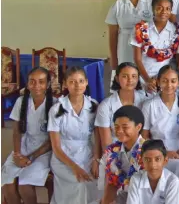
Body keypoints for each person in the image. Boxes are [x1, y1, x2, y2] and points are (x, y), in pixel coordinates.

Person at [1, 68, 54, 204]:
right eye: (32, 82)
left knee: (24, 187)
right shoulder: (21, 101)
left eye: (41, 82)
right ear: (28, 84)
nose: (36, 86)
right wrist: (18, 155)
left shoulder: (55, 104)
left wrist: (30, 157)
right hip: (23, 148)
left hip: (44, 152)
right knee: (7, 185)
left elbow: (52, 141)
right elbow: (16, 132)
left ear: (48, 84)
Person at [47, 67, 100, 203]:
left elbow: (98, 137)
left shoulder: (94, 106)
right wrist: (75, 167)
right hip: (63, 159)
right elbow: (56, 148)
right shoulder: (57, 109)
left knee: (95, 183)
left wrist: (96, 160)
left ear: (87, 82)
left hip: (87, 155)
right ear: (65, 84)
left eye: (81, 81)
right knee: (79, 183)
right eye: (72, 81)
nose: (77, 85)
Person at [141, 65, 179, 175]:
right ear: (158, 82)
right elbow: (144, 137)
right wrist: (163, 153)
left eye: (173, 81)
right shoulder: (149, 105)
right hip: (155, 152)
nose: (169, 85)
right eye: (164, 81)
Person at [132, 0, 179, 92]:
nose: (164, 12)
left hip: (166, 80)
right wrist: (147, 80)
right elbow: (137, 59)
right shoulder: (141, 29)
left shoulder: (176, 31)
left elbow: (175, 59)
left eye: (168, 9)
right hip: (143, 77)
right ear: (153, 9)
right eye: (159, 8)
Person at [106, 0, 154, 70]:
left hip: (148, 45)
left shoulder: (152, 1)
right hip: (125, 46)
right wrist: (113, 58)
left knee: (146, 76)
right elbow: (112, 35)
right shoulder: (118, 5)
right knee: (127, 75)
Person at [95, 63, 148, 153]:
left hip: (141, 154)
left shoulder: (146, 101)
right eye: (125, 76)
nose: (130, 80)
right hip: (115, 154)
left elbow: (146, 135)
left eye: (134, 76)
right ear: (117, 78)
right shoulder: (105, 106)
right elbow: (107, 145)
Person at [101, 105, 146, 204]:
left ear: (138, 127)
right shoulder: (112, 151)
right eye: (116, 127)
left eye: (125, 127)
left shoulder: (148, 152)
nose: (119, 131)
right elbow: (111, 184)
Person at [126, 140, 179, 204]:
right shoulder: (136, 179)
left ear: (165, 160)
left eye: (157, 159)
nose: (152, 165)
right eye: (147, 159)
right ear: (141, 161)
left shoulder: (172, 181)